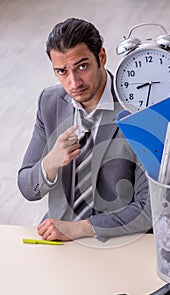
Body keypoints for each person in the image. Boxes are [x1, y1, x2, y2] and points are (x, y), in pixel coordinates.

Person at [18, 17, 152, 242]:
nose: (73, 83)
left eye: (82, 67)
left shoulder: (139, 107)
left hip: (120, 236)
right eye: (62, 71)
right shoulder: (49, 102)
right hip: (59, 231)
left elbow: (147, 209)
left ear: (101, 57)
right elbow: (27, 187)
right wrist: (50, 162)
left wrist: (80, 228)